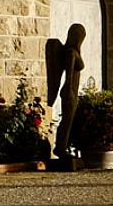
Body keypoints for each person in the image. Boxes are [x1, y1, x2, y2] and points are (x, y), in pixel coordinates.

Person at [45, 23, 86, 159]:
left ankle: (63, 147)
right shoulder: (71, 53)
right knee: (66, 121)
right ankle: (60, 148)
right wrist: (68, 90)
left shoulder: (72, 52)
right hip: (69, 91)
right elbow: (69, 74)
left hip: (71, 90)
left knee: (68, 121)